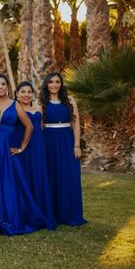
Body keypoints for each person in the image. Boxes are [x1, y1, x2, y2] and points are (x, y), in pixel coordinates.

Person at [0, 74, 49, 235]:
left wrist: (21, 148)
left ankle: (12, 217)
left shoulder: (15, 104)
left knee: (11, 183)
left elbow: (29, 126)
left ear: (8, 86)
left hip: (8, 149)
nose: (1, 87)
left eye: (3, 84)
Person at [40, 72, 87, 227]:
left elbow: (76, 125)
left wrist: (76, 145)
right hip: (48, 141)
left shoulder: (70, 100)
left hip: (66, 140)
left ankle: (70, 214)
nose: (54, 85)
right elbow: (39, 126)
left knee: (69, 175)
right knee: (51, 176)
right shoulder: (42, 102)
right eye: (51, 82)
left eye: (57, 82)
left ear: (61, 84)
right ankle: (53, 214)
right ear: (46, 84)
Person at [12, 81, 56, 230]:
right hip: (20, 146)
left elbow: (41, 127)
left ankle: (40, 212)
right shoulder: (13, 108)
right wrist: (18, 148)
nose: (26, 94)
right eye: (22, 91)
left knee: (37, 177)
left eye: (29, 91)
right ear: (16, 94)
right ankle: (25, 214)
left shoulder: (39, 108)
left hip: (37, 148)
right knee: (23, 179)